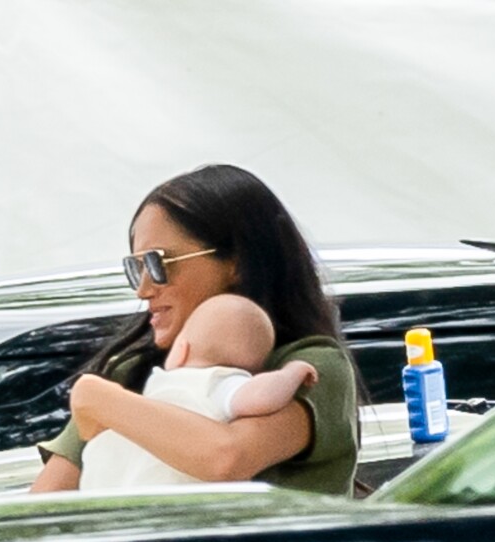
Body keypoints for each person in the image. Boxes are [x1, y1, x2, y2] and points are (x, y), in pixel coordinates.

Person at [31, 164, 359, 496]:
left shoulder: (308, 368)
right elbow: (40, 509)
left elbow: (227, 459)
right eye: (136, 268)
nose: (143, 289)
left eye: (159, 264)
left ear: (237, 263)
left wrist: (99, 400)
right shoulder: (130, 372)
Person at [77, 293, 318, 490]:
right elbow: (260, 397)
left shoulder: (195, 383)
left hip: (117, 486)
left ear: (181, 349)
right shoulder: (218, 385)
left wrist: (290, 373)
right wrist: (289, 374)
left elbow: (260, 398)